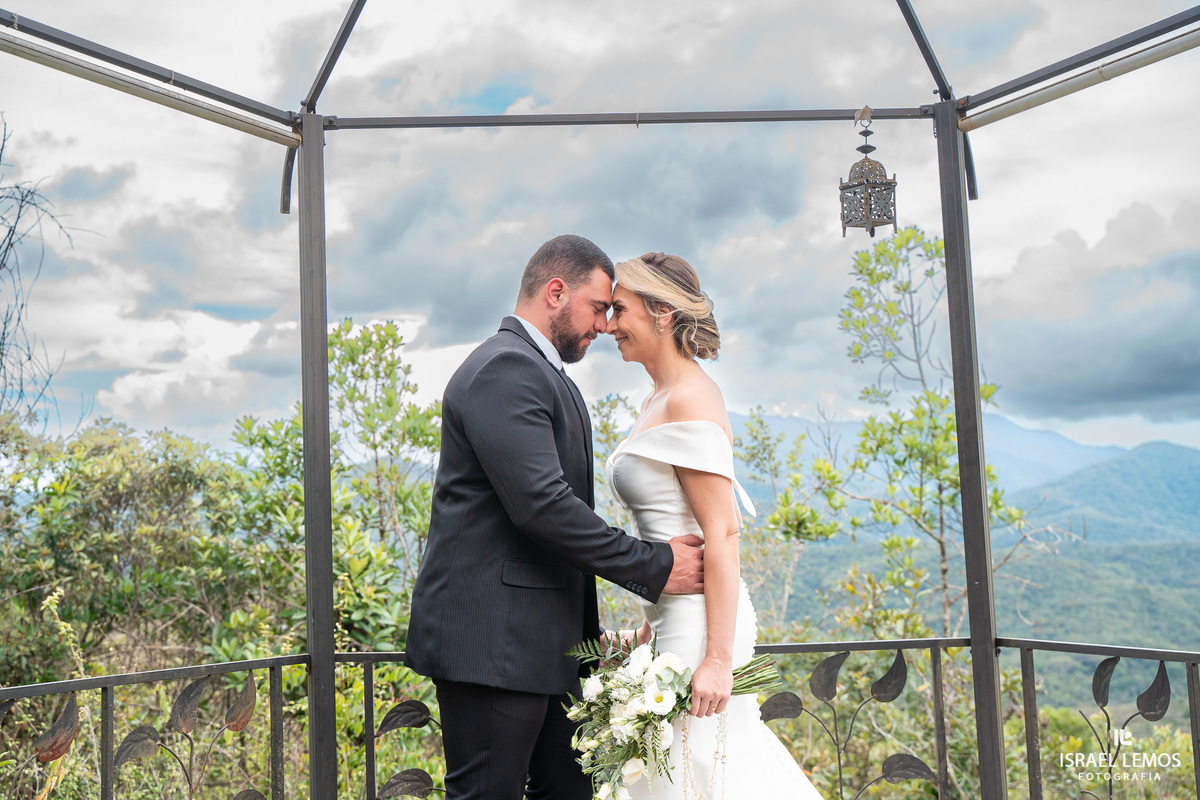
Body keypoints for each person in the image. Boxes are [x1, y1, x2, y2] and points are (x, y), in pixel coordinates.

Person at [405, 235, 707, 800]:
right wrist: (656, 566)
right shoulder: (505, 368)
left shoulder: (541, 373)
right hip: (492, 649)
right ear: (556, 292)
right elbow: (542, 507)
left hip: (545, 652)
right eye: (598, 307)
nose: (604, 325)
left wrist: (594, 639)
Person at [604, 251, 824, 799]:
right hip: (672, 622)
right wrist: (647, 634)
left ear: (661, 313)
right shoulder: (656, 398)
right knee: (678, 774)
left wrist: (719, 660)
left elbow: (722, 531)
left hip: (703, 629)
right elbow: (670, 526)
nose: (609, 325)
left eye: (619, 310)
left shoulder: (689, 398)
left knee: (703, 769)